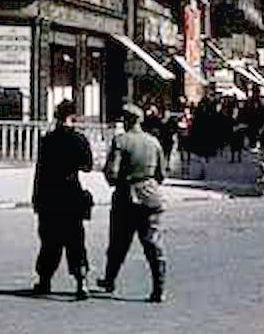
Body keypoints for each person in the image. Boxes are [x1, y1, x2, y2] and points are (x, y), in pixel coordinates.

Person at [97, 103, 168, 303]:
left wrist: (115, 181)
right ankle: (159, 287)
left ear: (127, 120)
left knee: (118, 243)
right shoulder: (154, 142)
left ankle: (109, 280)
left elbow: (112, 172)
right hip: (150, 196)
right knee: (153, 244)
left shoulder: (121, 141)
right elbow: (162, 173)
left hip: (126, 197)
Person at [31, 100, 94, 299]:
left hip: (49, 196)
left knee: (49, 241)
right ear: (73, 117)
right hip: (71, 194)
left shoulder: (47, 140)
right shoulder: (79, 139)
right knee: (75, 240)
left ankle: (44, 281)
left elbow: (39, 172)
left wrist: (36, 199)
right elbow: (87, 166)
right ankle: (81, 282)